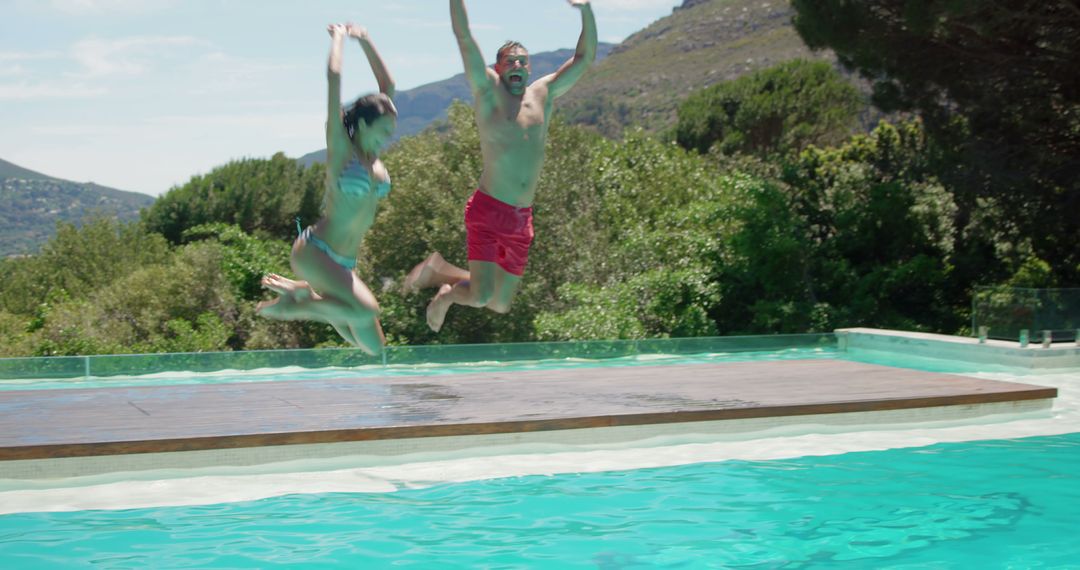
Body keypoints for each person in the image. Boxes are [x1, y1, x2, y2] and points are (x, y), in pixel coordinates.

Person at [405, 0, 597, 332]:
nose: (518, 65)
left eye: (523, 61)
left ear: (530, 68)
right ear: (498, 67)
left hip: (522, 217)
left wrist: (587, 10)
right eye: (511, 61)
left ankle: (439, 271)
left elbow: (583, 59)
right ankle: (446, 296)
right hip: (489, 209)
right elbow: (464, 37)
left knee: (500, 302)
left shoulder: (544, 94)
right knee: (479, 297)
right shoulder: (488, 91)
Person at [257, 22, 396, 355]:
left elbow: (387, 84)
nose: (388, 138)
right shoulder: (341, 147)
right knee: (368, 310)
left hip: (343, 262)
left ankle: (305, 294)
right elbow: (334, 79)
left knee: (373, 346)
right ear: (362, 124)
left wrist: (365, 38)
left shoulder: (371, 154)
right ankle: (297, 307)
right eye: (383, 131)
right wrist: (339, 39)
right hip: (317, 251)